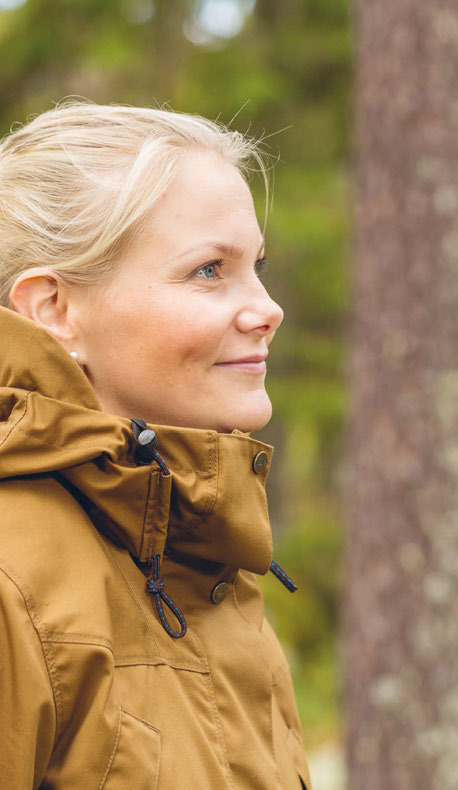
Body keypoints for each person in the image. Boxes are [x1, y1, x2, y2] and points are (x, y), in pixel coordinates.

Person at [0, 99, 310, 790]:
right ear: (53, 310)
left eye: (255, 264)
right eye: (209, 270)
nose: (266, 308)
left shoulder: (201, 556)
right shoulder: (11, 579)